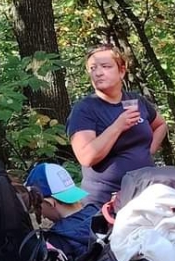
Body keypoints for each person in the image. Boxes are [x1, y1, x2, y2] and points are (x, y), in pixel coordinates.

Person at [68, 45, 169, 206]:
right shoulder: (85, 109)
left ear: (121, 71)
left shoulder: (136, 100)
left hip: (144, 192)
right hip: (106, 200)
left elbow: (160, 124)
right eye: (93, 68)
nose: (98, 72)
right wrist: (117, 126)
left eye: (106, 66)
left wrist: (149, 150)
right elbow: (86, 157)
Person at [25, 163, 99, 261]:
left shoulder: (57, 241)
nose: (42, 215)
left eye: (38, 206)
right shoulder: (98, 213)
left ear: (49, 203)